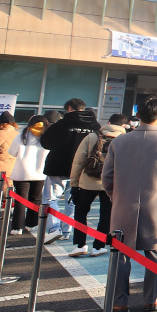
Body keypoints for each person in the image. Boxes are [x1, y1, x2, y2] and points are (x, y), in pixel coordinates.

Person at [102, 95, 157, 312]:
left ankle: (119, 301)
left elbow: (107, 177)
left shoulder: (119, 141)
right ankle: (151, 298)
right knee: (155, 254)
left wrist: (114, 196)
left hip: (123, 203)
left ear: (138, 116)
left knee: (121, 255)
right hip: (156, 204)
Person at [40, 99, 101, 244]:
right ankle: (67, 230)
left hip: (59, 165)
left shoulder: (63, 123)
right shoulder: (95, 126)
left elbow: (46, 142)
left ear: (69, 108)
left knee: (51, 198)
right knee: (73, 201)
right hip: (83, 169)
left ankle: (55, 228)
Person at [68, 116, 127, 257]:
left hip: (88, 181)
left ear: (108, 123)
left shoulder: (92, 136)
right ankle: (98, 246)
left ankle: (80, 245)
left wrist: (74, 183)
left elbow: (78, 161)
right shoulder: (125, 139)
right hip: (112, 183)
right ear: (124, 125)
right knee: (106, 215)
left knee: (81, 212)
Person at [7, 115, 50, 236]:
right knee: (36, 199)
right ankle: (32, 224)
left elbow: (12, 152)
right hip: (40, 173)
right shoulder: (46, 137)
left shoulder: (21, 136)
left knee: (20, 200)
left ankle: (17, 227)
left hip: (21, 173)